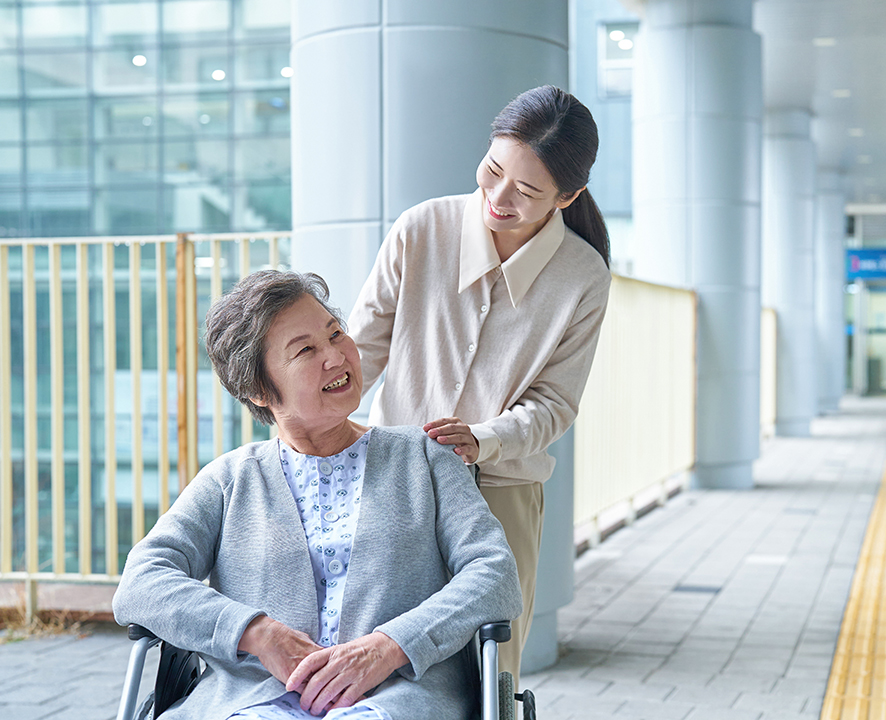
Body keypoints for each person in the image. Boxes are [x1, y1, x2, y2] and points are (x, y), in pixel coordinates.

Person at [112, 270, 522, 720]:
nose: (336, 356)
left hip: (397, 697)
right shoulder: (230, 480)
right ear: (258, 389)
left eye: (335, 333)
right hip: (252, 701)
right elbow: (141, 581)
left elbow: (494, 573)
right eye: (306, 350)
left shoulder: (425, 458)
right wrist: (256, 633)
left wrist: (391, 646)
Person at [348, 85, 612, 680]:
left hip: (501, 493)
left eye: (526, 192)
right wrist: (309, 416)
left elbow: (555, 404)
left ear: (567, 196)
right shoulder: (421, 229)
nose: (498, 197)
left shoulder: (583, 277)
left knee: (491, 672)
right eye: (493, 170)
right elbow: (360, 352)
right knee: (374, 657)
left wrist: (482, 438)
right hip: (394, 478)